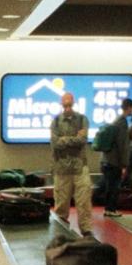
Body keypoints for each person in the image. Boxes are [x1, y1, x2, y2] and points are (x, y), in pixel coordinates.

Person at [50, 92, 94, 236]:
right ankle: (60, 231)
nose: (67, 108)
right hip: (62, 168)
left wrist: (64, 139)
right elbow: (55, 144)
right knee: (61, 204)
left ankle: (87, 232)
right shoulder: (56, 122)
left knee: (84, 201)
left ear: (73, 103)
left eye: (69, 105)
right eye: (65, 105)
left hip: (80, 167)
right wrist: (73, 139)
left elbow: (82, 140)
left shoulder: (82, 119)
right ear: (61, 105)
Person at [93, 97, 132, 218]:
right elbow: (123, 145)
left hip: (105, 159)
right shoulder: (122, 123)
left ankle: (104, 206)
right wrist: (124, 164)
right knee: (114, 187)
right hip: (114, 161)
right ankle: (110, 209)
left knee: (107, 185)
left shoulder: (115, 120)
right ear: (129, 108)